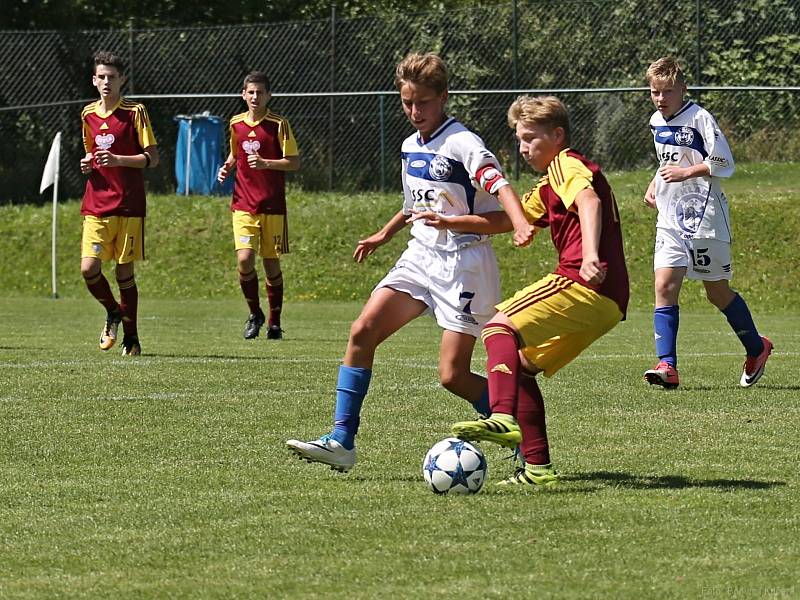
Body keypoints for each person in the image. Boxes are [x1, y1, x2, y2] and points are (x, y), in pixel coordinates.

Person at [286, 52, 534, 472]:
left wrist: (520, 221)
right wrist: (385, 233)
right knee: (363, 330)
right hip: (420, 255)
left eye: (423, 102)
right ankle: (341, 441)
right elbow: (414, 203)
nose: (415, 111)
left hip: (464, 263)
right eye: (407, 103)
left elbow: (501, 191)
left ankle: (524, 430)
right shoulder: (409, 146)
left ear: (444, 97)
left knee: (453, 375)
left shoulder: (463, 143)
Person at [451, 95, 630, 487]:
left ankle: (501, 416)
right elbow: (505, 219)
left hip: (583, 282)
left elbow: (589, 201)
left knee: (498, 329)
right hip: (609, 303)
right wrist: (449, 221)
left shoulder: (567, 163)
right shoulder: (550, 182)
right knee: (521, 367)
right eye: (519, 140)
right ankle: (538, 470)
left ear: (557, 135)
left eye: (530, 138)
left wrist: (590, 255)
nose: (523, 148)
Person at [642, 57, 772, 389]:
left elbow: (723, 160)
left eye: (667, 91)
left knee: (716, 292)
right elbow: (666, 161)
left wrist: (687, 172)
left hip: (703, 217)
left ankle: (757, 348)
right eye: (655, 91)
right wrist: (655, 184)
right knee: (664, 287)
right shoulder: (657, 120)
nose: (660, 98)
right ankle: (667, 366)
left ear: (683, 89)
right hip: (670, 218)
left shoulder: (699, 118)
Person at [79, 50, 159, 356]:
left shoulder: (135, 113)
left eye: (112, 77)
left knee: (124, 273)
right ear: (94, 80)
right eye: (102, 76)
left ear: (122, 79)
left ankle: (132, 339)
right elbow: (90, 154)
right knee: (89, 269)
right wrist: (88, 163)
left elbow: (152, 158)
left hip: (128, 204)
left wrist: (117, 159)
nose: (107, 82)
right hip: (96, 202)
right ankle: (113, 311)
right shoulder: (87, 115)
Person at [217, 71, 300, 340]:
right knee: (244, 259)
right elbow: (235, 153)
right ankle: (255, 313)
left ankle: (274, 322)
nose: (255, 97)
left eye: (260, 92)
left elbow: (294, 162)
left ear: (268, 95)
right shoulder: (236, 123)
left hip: (272, 205)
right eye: (250, 92)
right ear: (243, 94)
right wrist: (227, 167)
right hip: (243, 204)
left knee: (271, 265)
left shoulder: (279, 125)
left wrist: (266, 164)